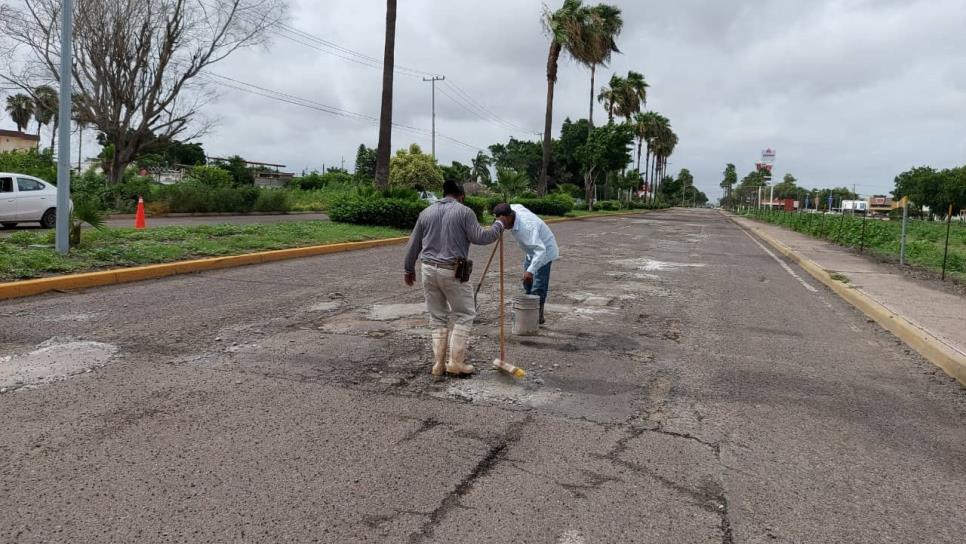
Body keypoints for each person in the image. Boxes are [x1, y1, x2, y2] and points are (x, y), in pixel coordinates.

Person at [404, 180, 509, 377]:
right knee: (464, 314)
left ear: (443, 193)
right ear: (461, 195)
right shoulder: (464, 211)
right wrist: (499, 224)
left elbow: (414, 243)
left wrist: (408, 269)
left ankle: (438, 365)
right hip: (452, 270)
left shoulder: (426, 212)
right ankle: (455, 363)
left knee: (437, 317)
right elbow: (481, 237)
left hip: (428, 269)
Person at [492, 203, 560, 325]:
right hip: (531, 250)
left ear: (509, 217)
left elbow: (541, 250)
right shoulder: (513, 210)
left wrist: (530, 270)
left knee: (538, 286)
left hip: (544, 252)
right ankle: (530, 309)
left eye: (502, 221)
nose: (501, 224)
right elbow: (516, 205)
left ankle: (536, 317)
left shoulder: (526, 229)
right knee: (527, 282)